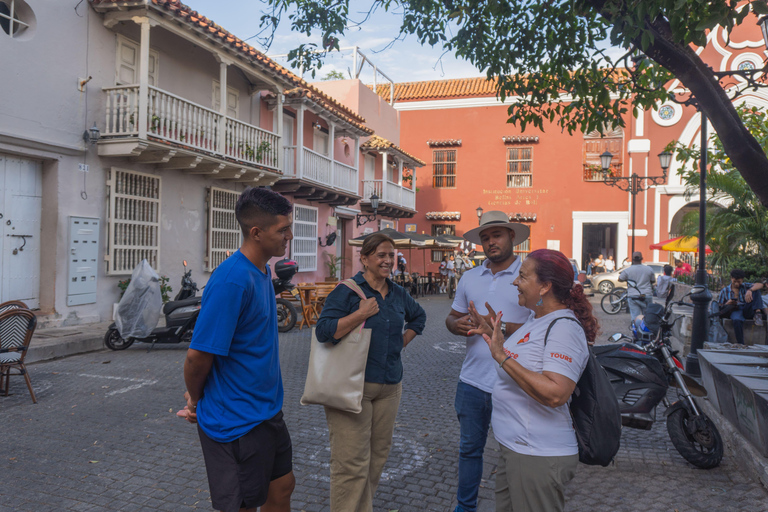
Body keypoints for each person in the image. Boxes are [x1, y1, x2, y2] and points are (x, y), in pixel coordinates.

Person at [180, 187, 296, 512]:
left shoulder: (261, 271)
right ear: (256, 233)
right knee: (243, 505)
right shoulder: (232, 279)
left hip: (267, 411)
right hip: (238, 421)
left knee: (283, 487)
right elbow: (197, 356)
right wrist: (195, 399)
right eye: (282, 229)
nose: (290, 235)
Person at [467, 249, 595, 512]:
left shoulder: (564, 328)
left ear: (545, 286)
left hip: (537, 453)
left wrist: (502, 357)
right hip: (516, 449)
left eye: (523, 276)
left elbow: (556, 393)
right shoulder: (535, 318)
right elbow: (526, 356)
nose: (515, 282)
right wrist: (495, 333)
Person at [315, 233, 427, 512]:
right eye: (381, 255)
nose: (388, 260)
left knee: (377, 457)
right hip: (353, 386)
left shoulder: (398, 292)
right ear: (364, 258)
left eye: (391, 255)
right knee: (350, 463)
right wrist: (360, 314)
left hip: (390, 387)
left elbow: (419, 317)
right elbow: (323, 331)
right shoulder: (348, 291)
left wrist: (401, 343)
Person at [445, 210, 531, 512]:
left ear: (511, 237)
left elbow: (545, 324)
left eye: (496, 235)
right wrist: (454, 325)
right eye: (485, 237)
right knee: (469, 450)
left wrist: (496, 327)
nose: (490, 242)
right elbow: (453, 317)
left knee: (516, 454)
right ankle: (464, 508)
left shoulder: (529, 275)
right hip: (471, 382)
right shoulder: (470, 276)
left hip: (516, 382)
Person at [717, 269, 767, 344]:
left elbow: (760, 285)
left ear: (742, 280)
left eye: (739, 282)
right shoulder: (724, 291)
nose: (737, 284)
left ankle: (758, 313)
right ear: (731, 278)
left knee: (756, 290)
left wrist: (750, 290)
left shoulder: (745, 286)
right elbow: (719, 307)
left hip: (747, 308)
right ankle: (741, 343)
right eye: (735, 281)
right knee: (736, 320)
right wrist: (728, 303)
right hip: (735, 310)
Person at [618, 251, 657, 321]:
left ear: (632, 259)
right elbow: (653, 281)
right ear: (642, 258)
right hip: (646, 294)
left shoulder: (628, 270)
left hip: (633, 295)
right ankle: (646, 330)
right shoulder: (649, 269)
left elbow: (620, 279)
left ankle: (636, 329)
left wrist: (628, 279)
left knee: (635, 316)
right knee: (647, 316)